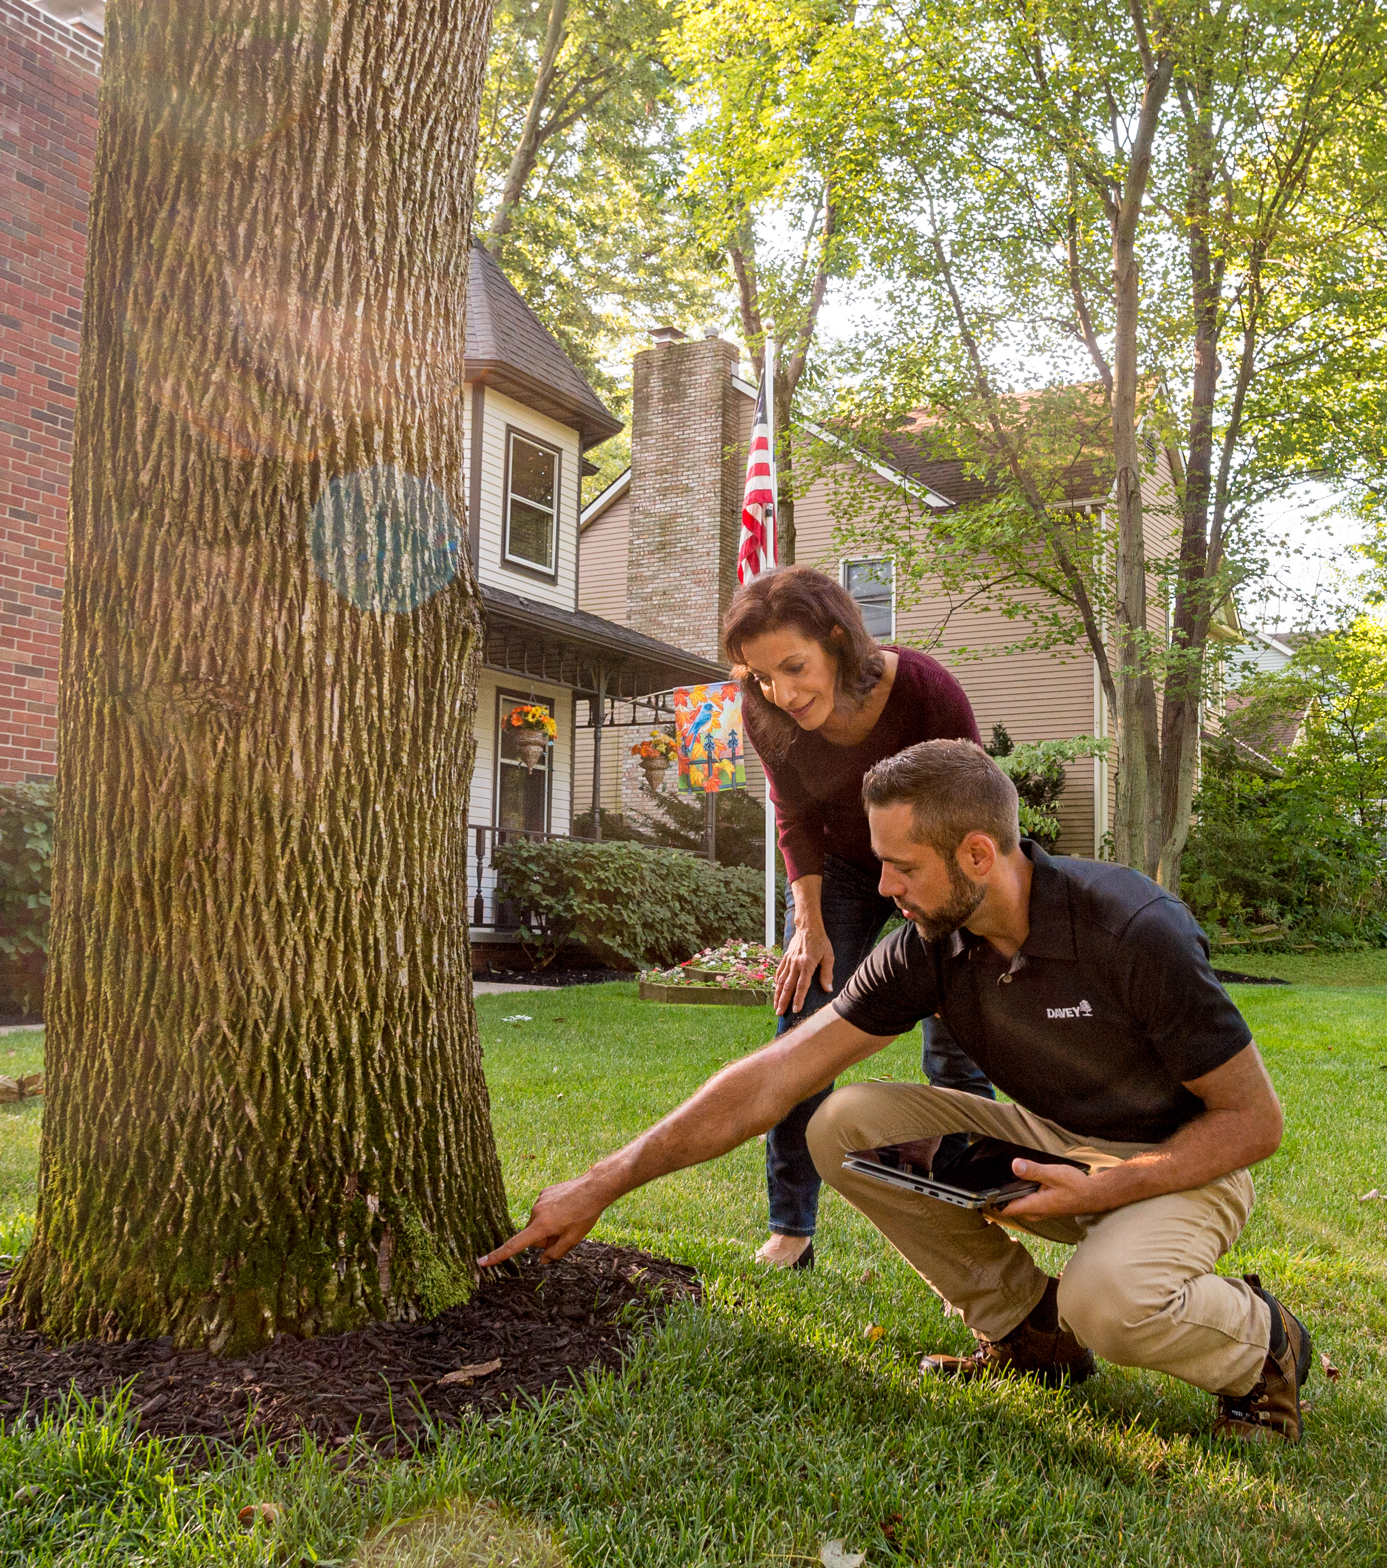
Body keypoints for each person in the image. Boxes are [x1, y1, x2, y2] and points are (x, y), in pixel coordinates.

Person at [482, 739, 1324, 1442]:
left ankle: (1266, 1347)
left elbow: (1253, 1123)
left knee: (1107, 1300)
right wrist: (604, 1181)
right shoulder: (929, 945)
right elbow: (775, 1078)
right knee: (842, 1122)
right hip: (1054, 1143)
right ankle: (1028, 1332)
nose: (885, 887)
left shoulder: (1132, 930)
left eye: (901, 866)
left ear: (977, 855)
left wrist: (1110, 1186)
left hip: (1183, 1163)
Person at [724, 566, 993, 1272]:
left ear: (838, 641)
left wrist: (952, 926)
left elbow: (972, 806)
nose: (783, 694)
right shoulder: (764, 710)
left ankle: (971, 1231)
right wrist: (807, 924)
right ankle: (790, 1228)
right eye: (762, 677)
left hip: (934, 862)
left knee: (957, 1042)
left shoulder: (927, 691)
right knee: (801, 1028)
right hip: (842, 866)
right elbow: (794, 813)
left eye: (794, 668)